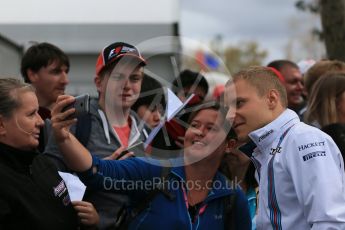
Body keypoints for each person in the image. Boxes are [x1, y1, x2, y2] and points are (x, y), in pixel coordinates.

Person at [51, 97, 252, 230]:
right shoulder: (155, 169)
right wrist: (63, 138)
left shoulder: (232, 199)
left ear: (229, 145)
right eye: (195, 125)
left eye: (212, 128)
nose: (199, 131)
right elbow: (97, 171)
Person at [44, 41, 150, 229]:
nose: (127, 86)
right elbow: (48, 179)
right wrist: (93, 176)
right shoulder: (74, 121)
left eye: (134, 78)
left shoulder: (147, 132)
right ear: (99, 83)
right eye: (118, 77)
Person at [224, 66, 345, 229]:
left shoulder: (302, 139)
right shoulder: (269, 147)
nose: (230, 115)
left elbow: (330, 222)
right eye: (228, 107)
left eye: (239, 103)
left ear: (272, 99)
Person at [0, 78, 98, 229]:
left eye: (38, 112)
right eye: (31, 114)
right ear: (1, 125)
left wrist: (89, 222)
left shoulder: (41, 162)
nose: (41, 122)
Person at [20, 42, 70, 152]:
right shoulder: (15, 118)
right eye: (56, 72)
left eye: (66, 72)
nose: (65, 80)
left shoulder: (69, 117)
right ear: (32, 75)